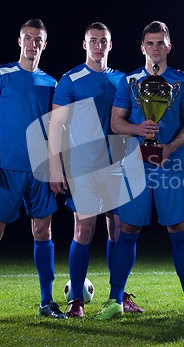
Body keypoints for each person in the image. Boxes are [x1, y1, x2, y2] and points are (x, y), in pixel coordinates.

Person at [95, 20, 184, 321]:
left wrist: (169, 146)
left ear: (169, 46)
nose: (155, 48)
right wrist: (137, 128)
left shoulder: (182, 82)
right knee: (126, 230)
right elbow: (116, 123)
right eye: (150, 43)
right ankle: (115, 299)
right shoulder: (128, 82)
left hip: (171, 165)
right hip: (136, 166)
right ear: (143, 48)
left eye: (160, 43)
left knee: (179, 232)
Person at [0, 19, 66, 322]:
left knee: (43, 231)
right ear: (19, 41)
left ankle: (47, 302)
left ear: (44, 45)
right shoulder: (0, 74)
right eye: (28, 37)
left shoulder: (51, 83)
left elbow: (56, 130)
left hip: (40, 171)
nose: (32, 43)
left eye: (38, 39)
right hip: (6, 169)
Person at [48, 22, 144, 318]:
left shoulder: (122, 80)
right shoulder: (71, 79)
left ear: (110, 45)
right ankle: (76, 300)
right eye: (93, 40)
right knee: (84, 229)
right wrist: (55, 167)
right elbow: (55, 126)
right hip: (83, 167)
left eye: (104, 41)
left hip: (117, 166)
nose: (98, 45)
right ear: (85, 44)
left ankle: (118, 296)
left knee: (118, 231)